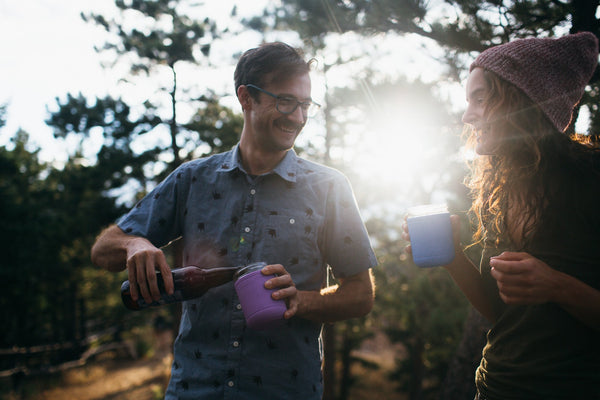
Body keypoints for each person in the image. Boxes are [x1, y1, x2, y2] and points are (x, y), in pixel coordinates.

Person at [91, 42, 377, 399]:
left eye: (305, 105)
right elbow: (103, 249)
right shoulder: (192, 179)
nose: (298, 117)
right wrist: (135, 243)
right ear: (246, 98)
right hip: (193, 390)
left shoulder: (329, 188)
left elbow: (361, 294)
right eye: (285, 101)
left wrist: (302, 301)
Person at [403, 32, 600, 399]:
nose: (467, 115)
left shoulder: (591, 180)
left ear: (520, 99)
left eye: (480, 98)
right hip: (494, 389)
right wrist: (453, 257)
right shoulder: (499, 186)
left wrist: (557, 285)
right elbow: (501, 312)